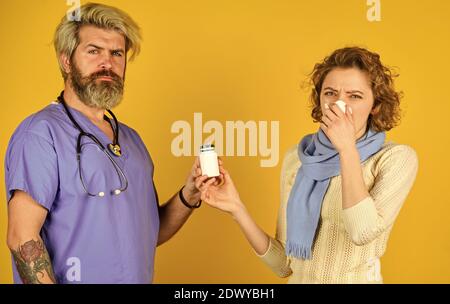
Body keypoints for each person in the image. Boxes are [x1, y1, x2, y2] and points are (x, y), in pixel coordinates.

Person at [5, 3, 217, 284]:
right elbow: (22, 238)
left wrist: (190, 194)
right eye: (93, 51)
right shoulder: (40, 135)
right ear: (66, 60)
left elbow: (150, 232)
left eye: (116, 53)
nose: (107, 63)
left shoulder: (132, 140)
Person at [198, 47, 418, 283]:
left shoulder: (395, 158)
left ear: (375, 105)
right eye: (330, 93)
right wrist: (236, 208)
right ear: (320, 99)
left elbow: (362, 232)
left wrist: (346, 150)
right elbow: (284, 265)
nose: (338, 104)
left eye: (355, 96)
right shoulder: (298, 158)